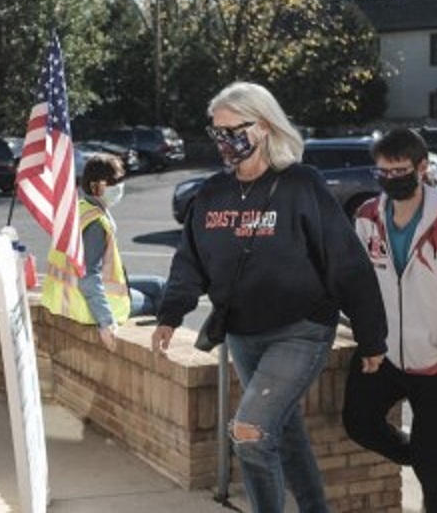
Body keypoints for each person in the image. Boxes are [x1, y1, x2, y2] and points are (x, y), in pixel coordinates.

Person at [150, 81, 387, 513]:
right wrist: (169, 315)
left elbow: (348, 263)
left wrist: (371, 337)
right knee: (286, 431)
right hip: (243, 333)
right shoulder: (211, 192)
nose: (222, 141)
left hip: (301, 330)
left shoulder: (301, 184)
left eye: (231, 130)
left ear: (261, 127)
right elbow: (190, 261)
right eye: (215, 131)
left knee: (251, 431)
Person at [343, 128, 437, 513]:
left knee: (435, 482)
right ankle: (434, 459)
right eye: (383, 172)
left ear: (423, 167)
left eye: (400, 171)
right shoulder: (367, 218)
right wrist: (369, 342)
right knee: (359, 423)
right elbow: (360, 288)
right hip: (385, 357)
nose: (390, 179)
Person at [42, 153, 165, 351]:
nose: (119, 186)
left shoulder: (80, 210)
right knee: (158, 298)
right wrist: (106, 322)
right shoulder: (95, 223)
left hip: (67, 293)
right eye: (114, 181)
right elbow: (89, 275)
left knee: (159, 285)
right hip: (83, 303)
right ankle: (160, 353)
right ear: (96, 186)